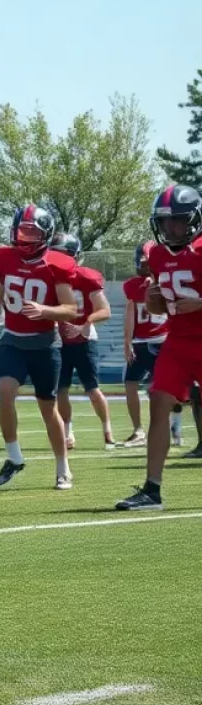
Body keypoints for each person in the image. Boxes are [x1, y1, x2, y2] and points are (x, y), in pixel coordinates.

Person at [117, 185, 202, 510]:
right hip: (178, 342)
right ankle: (152, 490)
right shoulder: (156, 254)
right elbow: (160, 306)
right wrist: (154, 302)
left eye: (178, 222)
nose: (171, 229)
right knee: (158, 402)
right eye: (165, 223)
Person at [0, 204, 79, 490]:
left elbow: (71, 309)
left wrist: (45, 310)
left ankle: (63, 468)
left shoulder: (57, 264)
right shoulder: (2, 258)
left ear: (45, 235)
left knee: (47, 408)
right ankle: (14, 457)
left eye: (31, 233)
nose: (24, 238)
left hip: (45, 343)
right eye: (21, 232)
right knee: (4, 390)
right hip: (12, 339)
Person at [48, 233, 115, 450]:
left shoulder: (86, 277)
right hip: (59, 339)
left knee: (92, 389)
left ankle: (107, 431)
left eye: (63, 254)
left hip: (84, 339)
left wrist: (86, 322)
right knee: (61, 390)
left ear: (74, 256)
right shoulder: (47, 277)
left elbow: (105, 311)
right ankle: (68, 433)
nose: (58, 259)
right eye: (55, 253)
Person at [121, 242, 170, 447]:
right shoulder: (133, 284)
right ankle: (138, 430)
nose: (143, 266)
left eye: (146, 262)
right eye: (142, 262)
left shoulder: (166, 281)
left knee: (164, 388)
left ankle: (172, 427)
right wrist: (127, 341)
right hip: (141, 341)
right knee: (130, 384)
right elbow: (130, 314)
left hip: (161, 340)